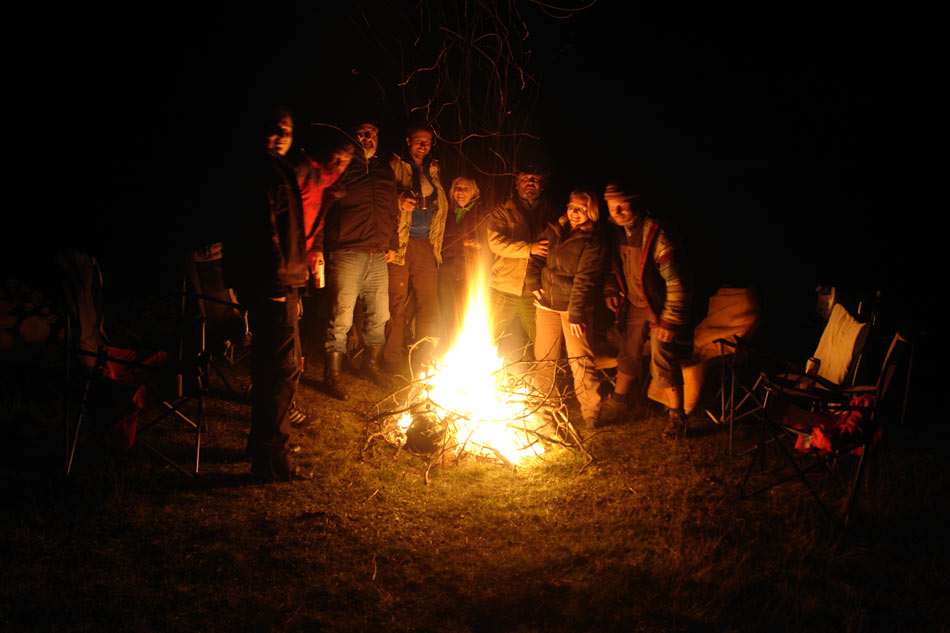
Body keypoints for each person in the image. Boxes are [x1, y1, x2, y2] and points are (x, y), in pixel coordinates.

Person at [222, 107, 310, 481]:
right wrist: (277, 284)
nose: (279, 136)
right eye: (272, 129)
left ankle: (261, 445)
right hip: (272, 285)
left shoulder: (273, 169)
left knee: (268, 368)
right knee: (280, 372)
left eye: (286, 130)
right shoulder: (261, 172)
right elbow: (262, 232)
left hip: (278, 282)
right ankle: (273, 459)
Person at [601, 181, 693, 438]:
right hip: (634, 303)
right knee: (627, 349)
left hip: (659, 306)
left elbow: (677, 281)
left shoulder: (657, 234)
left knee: (662, 355)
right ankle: (620, 402)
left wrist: (670, 320)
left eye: (623, 205)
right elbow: (612, 268)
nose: (617, 211)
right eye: (612, 206)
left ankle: (678, 417)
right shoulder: (615, 232)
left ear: (635, 202)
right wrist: (611, 290)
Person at [314, 121, 398, 399]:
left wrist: (392, 243)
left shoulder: (385, 170)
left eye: (372, 133)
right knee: (341, 317)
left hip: (378, 254)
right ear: (353, 136)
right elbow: (321, 206)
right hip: (347, 251)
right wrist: (318, 247)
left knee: (380, 316)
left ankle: (370, 366)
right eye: (361, 133)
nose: (367, 137)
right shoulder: (342, 168)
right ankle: (332, 376)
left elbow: (391, 210)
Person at [525, 189, 607, 429]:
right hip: (546, 305)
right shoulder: (554, 229)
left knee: (580, 361)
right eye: (572, 207)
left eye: (581, 209)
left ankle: (591, 414)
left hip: (573, 309)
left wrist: (576, 312)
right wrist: (533, 282)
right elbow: (536, 258)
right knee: (545, 359)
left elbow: (585, 278)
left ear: (591, 212)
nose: (575, 212)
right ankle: (544, 408)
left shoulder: (593, 239)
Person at [385, 125, 448, 371]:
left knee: (429, 301)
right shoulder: (395, 166)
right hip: (400, 242)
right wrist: (398, 200)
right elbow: (380, 198)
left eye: (427, 142)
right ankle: (391, 360)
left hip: (425, 243)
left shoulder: (433, 169)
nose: (423, 145)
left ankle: (424, 356)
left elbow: (439, 206)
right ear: (408, 141)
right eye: (418, 141)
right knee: (396, 302)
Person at [487, 165, 553, 362]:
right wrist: (528, 248)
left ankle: (546, 377)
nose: (530, 183)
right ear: (517, 184)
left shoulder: (550, 213)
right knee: (488, 335)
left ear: (541, 186)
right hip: (504, 288)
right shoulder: (503, 211)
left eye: (535, 180)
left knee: (544, 342)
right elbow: (496, 243)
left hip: (536, 291)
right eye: (525, 179)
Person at [439, 176, 488, 346]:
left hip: (470, 271)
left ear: (473, 192)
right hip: (447, 271)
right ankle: (447, 348)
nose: (461, 192)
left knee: (467, 311)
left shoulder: (482, 213)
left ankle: (468, 345)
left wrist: (480, 244)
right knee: (447, 311)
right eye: (457, 188)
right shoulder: (446, 212)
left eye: (465, 189)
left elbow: (492, 241)